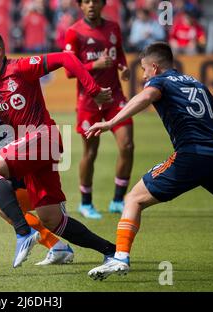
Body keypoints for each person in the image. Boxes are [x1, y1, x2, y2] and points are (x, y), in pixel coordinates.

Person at [0, 30, 117, 268]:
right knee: (52, 219)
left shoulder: (21, 68)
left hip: (43, 136)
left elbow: (66, 58)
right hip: (31, 148)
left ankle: (23, 233)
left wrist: (93, 90)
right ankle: (111, 252)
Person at [86, 42, 213, 280]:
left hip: (190, 157)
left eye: (144, 69)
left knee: (134, 199)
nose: (144, 74)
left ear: (155, 67)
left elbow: (146, 96)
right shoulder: (197, 84)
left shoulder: (159, 82)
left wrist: (110, 123)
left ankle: (120, 259)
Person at [0, 24, 74, 265]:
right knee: (4, 205)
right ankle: (56, 241)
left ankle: (49, 224)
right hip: (1, 147)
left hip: (25, 143)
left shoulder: (1, 72)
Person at [64, 0, 134, 219]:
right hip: (89, 101)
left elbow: (119, 53)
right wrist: (94, 65)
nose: (91, 5)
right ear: (80, 6)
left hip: (115, 98)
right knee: (90, 153)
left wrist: (123, 67)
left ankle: (117, 200)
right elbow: (68, 71)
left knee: (128, 146)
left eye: (95, 1)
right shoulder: (74, 32)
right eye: (86, 2)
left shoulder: (113, 27)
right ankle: (86, 203)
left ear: (103, 3)